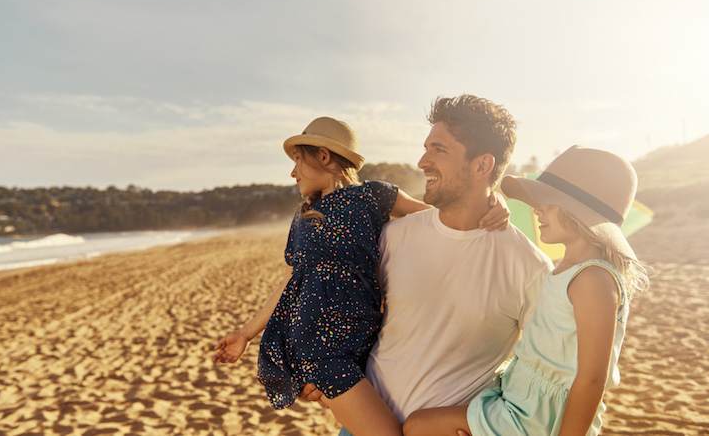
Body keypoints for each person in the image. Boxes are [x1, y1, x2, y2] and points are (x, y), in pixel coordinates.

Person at [212, 116, 509, 436]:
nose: (292, 172)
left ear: (324, 156)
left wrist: (493, 200)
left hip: (357, 348)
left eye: (298, 160)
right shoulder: (302, 219)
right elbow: (287, 285)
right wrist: (244, 334)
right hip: (321, 350)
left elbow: (438, 216)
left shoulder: (372, 197)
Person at [303, 95, 554, 436]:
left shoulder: (530, 268)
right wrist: (326, 376)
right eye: (426, 148)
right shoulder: (392, 237)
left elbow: (541, 380)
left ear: (482, 166)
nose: (422, 161)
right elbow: (351, 316)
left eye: (439, 150)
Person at [402, 145, 650, 435]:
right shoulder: (566, 268)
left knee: (417, 427)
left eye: (548, 201)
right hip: (520, 397)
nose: (537, 208)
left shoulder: (593, 278)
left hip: (538, 416)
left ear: (579, 212)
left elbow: (592, 378)